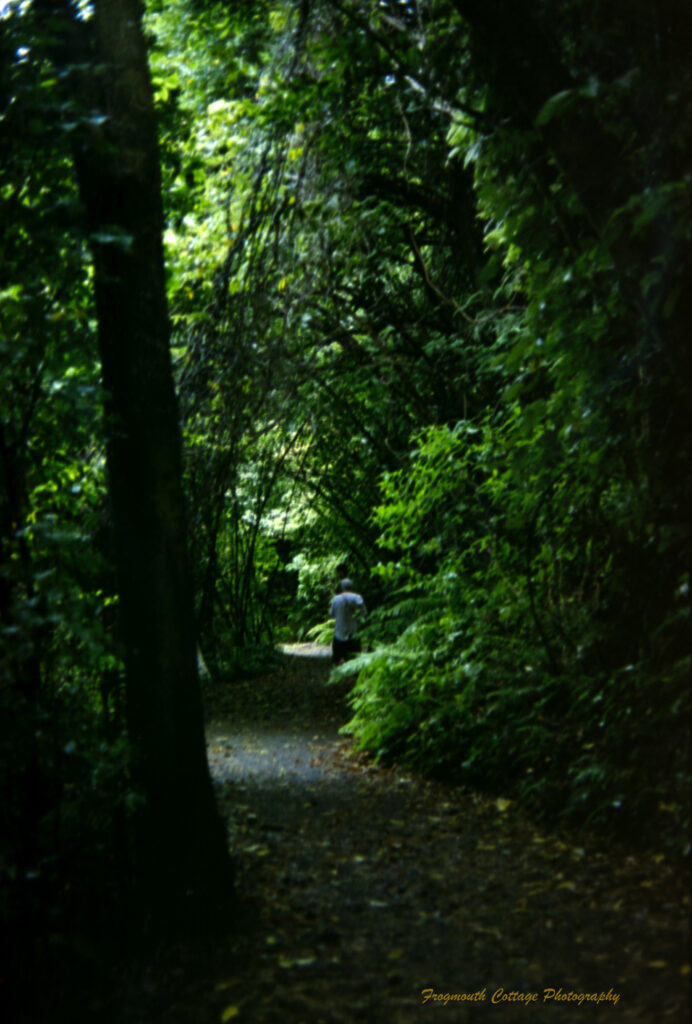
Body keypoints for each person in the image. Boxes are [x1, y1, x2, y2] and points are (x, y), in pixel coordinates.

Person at [330, 578, 367, 664]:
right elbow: (364, 613)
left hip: (340, 631)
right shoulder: (357, 597)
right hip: (353, 630)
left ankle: (341, 663)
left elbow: (332, 615)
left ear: (342, 587)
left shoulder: (336, 599)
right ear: (352, 587)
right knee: (354, 655)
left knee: (339, 654)